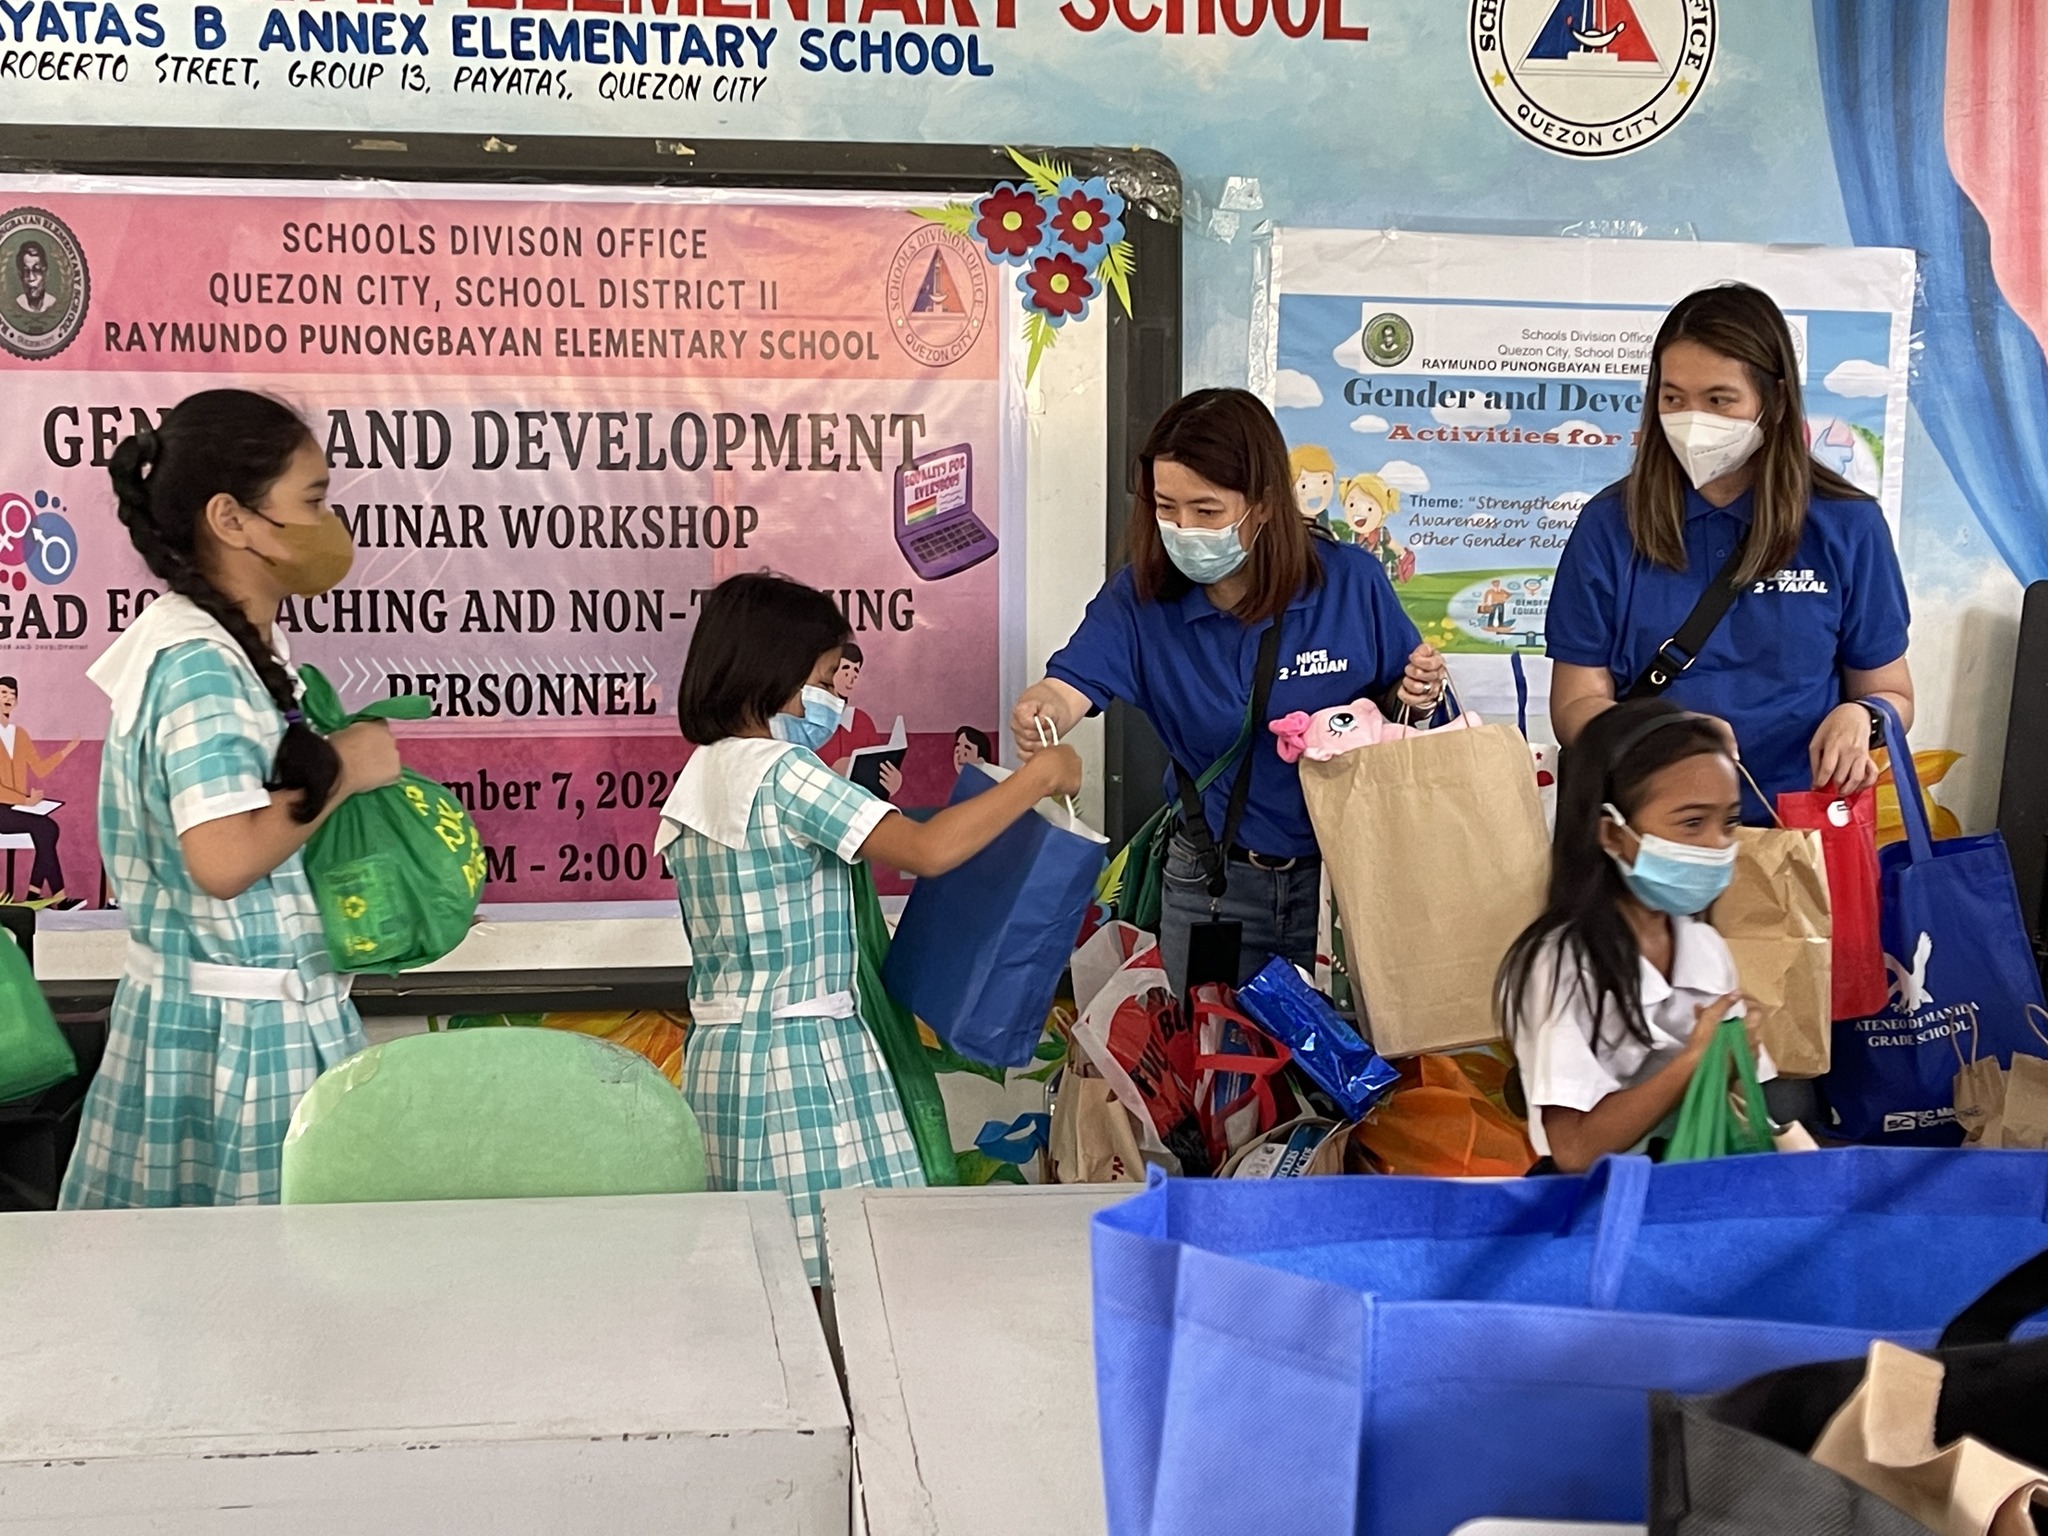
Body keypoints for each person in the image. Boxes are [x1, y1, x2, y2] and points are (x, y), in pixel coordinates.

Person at [659, 573, 1081, 1282]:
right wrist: (1037, 780)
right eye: (825, 678)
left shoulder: (700, 777)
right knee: (847, 1270)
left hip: (726, 1060)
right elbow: (928, 848)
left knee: (757, 1278)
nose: (836, 699)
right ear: (773, 670)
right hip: (808, 1066)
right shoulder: (784, 771)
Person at [61, 389, 400, 1209]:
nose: (328, 525)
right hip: (233, 1049)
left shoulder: (240, 649)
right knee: (248, 1305)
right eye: (312, 501)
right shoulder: (199, 663)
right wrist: (346, 769)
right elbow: (219, 858)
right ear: (232, 518)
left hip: (251, 1030)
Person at [1010, 388, 1447, 995]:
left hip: (1347, 889)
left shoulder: (1350, 583)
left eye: (1207, 511)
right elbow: (1071, 686)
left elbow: (1412, 717)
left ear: (1264, 505)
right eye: (1167, 508)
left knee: (1350, 1080)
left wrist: (1418, 692)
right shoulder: (1141, 600)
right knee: (1215, 1074)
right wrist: (1043, 710)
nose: (1183, 529)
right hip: (1213, 886)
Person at [1545, 283, 1913, 819]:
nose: (1693, 420)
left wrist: (1864, 717)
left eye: (1719, 399)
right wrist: (1666, 734)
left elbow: (1892, 694)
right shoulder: (1609, 525)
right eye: (1673, 399)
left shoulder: (1848, 525)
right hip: (1648, 830)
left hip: (1799, 831)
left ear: (1776, 400)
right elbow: (1575, 707)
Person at [1495, 700, 1771, 1172]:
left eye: (1728, 821)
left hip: (1684, 1185)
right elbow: (1576, 1150)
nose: (1718, 845)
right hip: (1598, 1209)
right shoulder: (1560, 965)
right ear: (1612, 834)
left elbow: (1732, 1097)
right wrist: (1696, 1059)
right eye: (1691, 823)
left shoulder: (1704, 946)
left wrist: (1736, 1055)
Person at [0, 676, 79, 904]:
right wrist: (25, 801)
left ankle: (38, 893)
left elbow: (40, 768)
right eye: (3, 693)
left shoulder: (20, 734)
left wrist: (66, 751)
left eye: (12, 694)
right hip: (4, 809)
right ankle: (52, 895)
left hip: (14, 807)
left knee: (47, 829)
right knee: (47, 828)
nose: (8, 698)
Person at [820, 640, 901, 799]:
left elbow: (875, 769)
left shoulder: (862, 722)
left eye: (855, 672)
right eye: (845, 669)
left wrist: (891, 783)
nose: (851, 678)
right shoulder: (808, 721)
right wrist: (831, 772)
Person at [1338, 472, 1413, 583]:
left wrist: (1403, 556)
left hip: (1377, 578)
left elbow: (1396, 548)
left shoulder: (1382, 534)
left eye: (1369, 508)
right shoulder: (1351, 536)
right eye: (1351, 505)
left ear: (1382, 512)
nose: (1358, 512)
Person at [1289, 444, 1336, 526]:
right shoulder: (1287, 518)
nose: (1315, 493)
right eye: (1304, 486)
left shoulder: (1324, 517)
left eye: (1324, 482)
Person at [13, 240, 55, 315]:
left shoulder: (54, 303)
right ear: (20, 276)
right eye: (26, 271)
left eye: (37, 270)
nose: (31, 278)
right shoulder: (16, 305)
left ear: (45, 273)